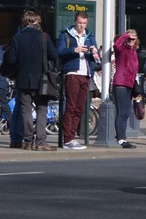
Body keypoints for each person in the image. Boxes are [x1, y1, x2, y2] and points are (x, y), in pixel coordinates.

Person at [5, 11, 58, 151]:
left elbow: (11, 59)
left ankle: (28, 141)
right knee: (42, 109)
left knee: (25, 110)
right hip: (42, 80)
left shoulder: (17, 37)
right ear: (37, 22)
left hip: (22, 80)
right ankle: (40, 142)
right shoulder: (44, 37)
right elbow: (54, 55)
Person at [57, 10, 99, 150]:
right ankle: (68, 139)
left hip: (86, 74)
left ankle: (72, 136)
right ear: (75, 22)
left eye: (84, 23)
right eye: (80, 23)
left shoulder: (90, 35)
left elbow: (96, 56)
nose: (82, 26)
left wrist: (93, 52)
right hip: (72, 73)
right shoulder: (66, 34)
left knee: (80, 108)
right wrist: (75, 50)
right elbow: (60, 52)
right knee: (71, 106)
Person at [111, 29, 139, 149]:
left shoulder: (134, 52)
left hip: (129, 84)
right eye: (129, 38)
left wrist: (136, 87)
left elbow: (134, 70)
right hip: (121, 83)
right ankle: (121, 139)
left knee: (126, 112)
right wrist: (125, 35)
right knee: (122, 112)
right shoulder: (121, 50)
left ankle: (122, 137)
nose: (131, 41)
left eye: (133, 39)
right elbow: (116, 45)